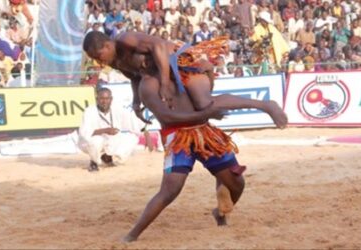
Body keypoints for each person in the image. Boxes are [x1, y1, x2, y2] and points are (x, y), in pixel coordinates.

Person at [121, 53, 288, 242]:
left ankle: (220, 211)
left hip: (205, 132)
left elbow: (206, 98)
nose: (145, 63)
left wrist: (209, 73)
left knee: (237, 183)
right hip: (178, 137)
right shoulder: (148, 84)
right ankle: (132, 235)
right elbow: (167, 117)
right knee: (170, 190)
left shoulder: (183, 69)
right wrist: (206, 113)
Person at [82, 31, 228, 116]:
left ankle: (208, 71)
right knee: (184, 112)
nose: (99, 62)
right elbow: (134, 78)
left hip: (179, 59)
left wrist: (164, 83)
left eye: (98, 56)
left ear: (107, 46)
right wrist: (136, 102)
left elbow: (159, 46)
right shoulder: (114, 61)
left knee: (203, 104)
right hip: (162, 74)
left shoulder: (125, 40)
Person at [78, 87, 140, 172]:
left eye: (107, 99)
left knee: (132, 138)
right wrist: (105, 130)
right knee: (96, 141)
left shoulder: (118, 109)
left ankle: (107, 156)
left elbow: (133, 122)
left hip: (108, 140)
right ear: (97, 99)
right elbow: (85, 132)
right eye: (101, 99)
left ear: (111, 99)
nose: (104, 101)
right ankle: (94, 162)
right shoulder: (89, 111)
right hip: (88, 142)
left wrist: (146, 133)